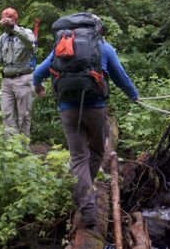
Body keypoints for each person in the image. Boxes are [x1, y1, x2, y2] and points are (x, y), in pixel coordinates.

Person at [33, 15, 139, 228]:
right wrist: (134, 96)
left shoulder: (61, 46)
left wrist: (39, 87)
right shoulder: (103, 47)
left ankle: (84, 197)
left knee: (78, 156)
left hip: (67, 110)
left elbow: (38, 73)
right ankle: (87, 196)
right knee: (98, 151)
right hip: (95, 108)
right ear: (98, 29)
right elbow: (121, 77)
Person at [0, 7, 37, 137]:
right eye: (3, 21)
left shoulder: (26, 32)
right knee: (6, 114)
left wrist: (14, 28)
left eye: (7, 21)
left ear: (15, 20)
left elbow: (31, 44)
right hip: (6, 80)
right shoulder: (2, 38)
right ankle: (12, 147)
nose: (5, 25)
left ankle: (23, 147)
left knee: (24, 115)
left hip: (23, 79)